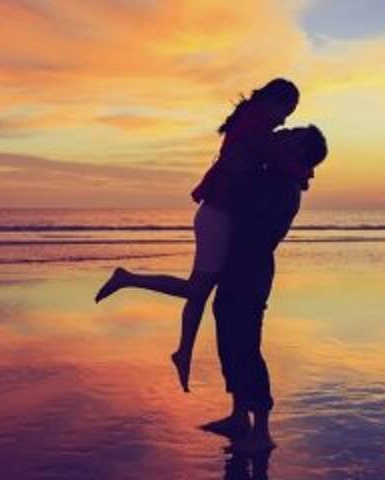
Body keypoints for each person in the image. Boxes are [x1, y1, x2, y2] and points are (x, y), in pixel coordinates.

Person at [95, 79, 302, 393]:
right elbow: (279, 160)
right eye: (286, 111)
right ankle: (127, 278)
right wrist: (303, 170)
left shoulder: (250, 122)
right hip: (216, 217)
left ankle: (184, 353)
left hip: (216, 214)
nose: (284, 120)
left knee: (199, 292)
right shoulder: (255, 128)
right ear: (273, 101)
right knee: (196, 288)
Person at [201, 125, 328, 453]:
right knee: (228, 336)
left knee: (245, 344)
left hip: (251, 268)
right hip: (239, 263)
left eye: (293, 135)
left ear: (299, 151)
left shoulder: (282, 183)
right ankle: (239, 415)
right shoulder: (277, 174)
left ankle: (262, 432)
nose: (284, 132)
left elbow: (245, 207)